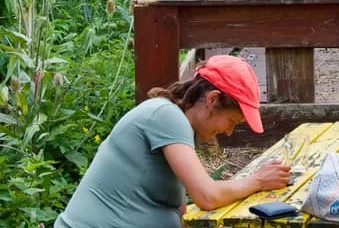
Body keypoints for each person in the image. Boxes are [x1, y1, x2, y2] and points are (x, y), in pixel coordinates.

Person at [55, 55, 290, 228]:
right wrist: (258, 180)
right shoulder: (165, 116)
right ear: (212, 99)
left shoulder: (177, 127)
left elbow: (181, 209)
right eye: (232, 121)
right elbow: (207, 196)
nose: (228, 132)